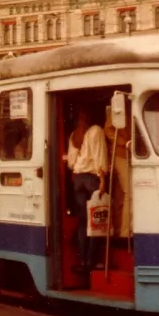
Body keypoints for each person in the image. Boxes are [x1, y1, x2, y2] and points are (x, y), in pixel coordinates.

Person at [66, 108, 109, 274]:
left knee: (84, 221)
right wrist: (103, 180)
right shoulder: (96, 131)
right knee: (97, 222)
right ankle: (92, 260)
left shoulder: (74, 135)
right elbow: (100, 158)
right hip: (92, 180)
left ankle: (83, 259)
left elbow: (70, 163)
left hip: (78, 180)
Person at [104, 106, 131, 239]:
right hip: (120, 154)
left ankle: (120, 229)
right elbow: (108, 130)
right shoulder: (118, 106)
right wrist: (124, 143)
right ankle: (126, 232)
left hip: (129, 154)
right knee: (129, 192)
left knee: (121, 194)